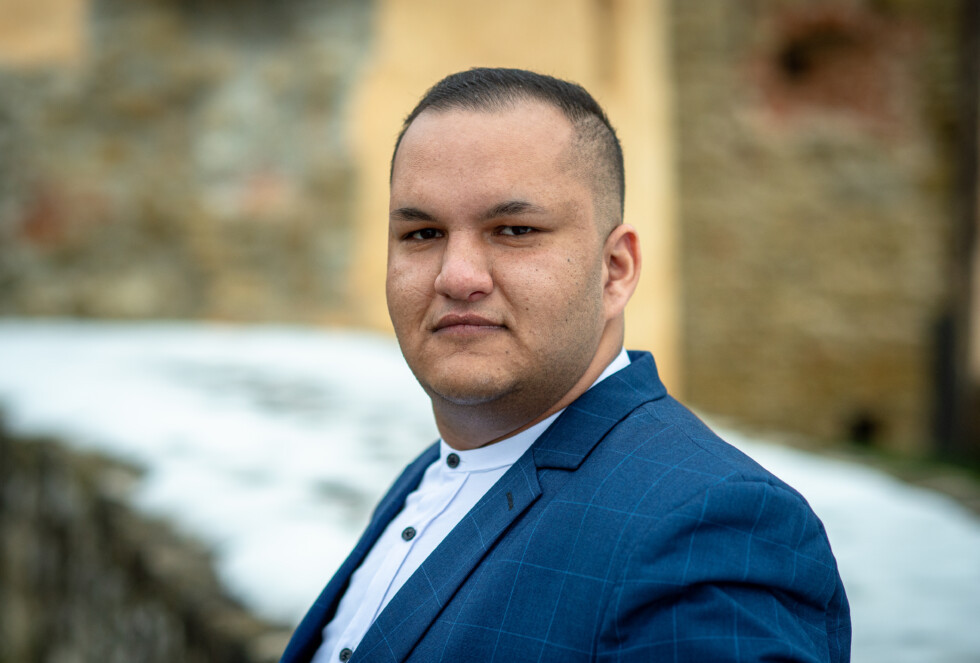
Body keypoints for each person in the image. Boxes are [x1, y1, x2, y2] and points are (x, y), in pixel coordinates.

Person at [281, 68, 850, 663]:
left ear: (615, 270)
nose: (457, 276)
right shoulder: (432, 475)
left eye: (514, 230)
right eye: (422, 233)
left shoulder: (708, 526)